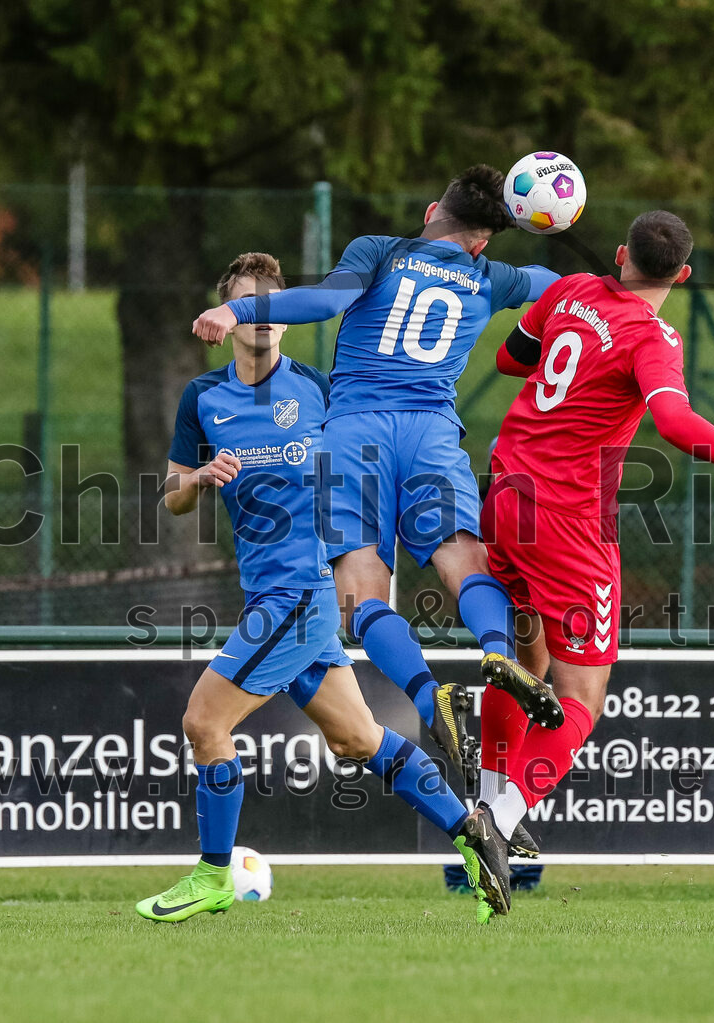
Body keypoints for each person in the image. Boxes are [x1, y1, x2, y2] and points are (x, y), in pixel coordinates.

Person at [192, 167, 564, 916]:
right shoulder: (492, 274)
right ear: (482, 235)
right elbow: (555, 284)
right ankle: (494, 650)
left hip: (358, 428)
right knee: (465, 561)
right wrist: (590, 280)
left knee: (362, 594)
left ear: (432, 211)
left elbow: (324, 302)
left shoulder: (381, 250)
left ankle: (429, 697)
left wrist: (239, 309)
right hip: (431, 431)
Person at [469, 210, 714, 915]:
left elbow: (510, 360)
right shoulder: (653, 338)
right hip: (567, 521)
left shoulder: (570, 291)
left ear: (621, 254)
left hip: (504, 492)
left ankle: (487, 796)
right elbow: (675, 423)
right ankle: (496, 820)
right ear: (681, 276)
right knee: (582, 698)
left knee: (523, 656)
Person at [137, 253, 495, 923]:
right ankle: (473, 829)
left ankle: (214, 874)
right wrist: (200, 476)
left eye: (275, 302)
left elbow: (376, 469)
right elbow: (173, 496)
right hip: (270, 594)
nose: (265, 316)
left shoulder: (325, 392)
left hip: (301, 594)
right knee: (359, 739)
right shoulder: (203, 398)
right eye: (251, 302)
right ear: (232, 315)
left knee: (203, 722)